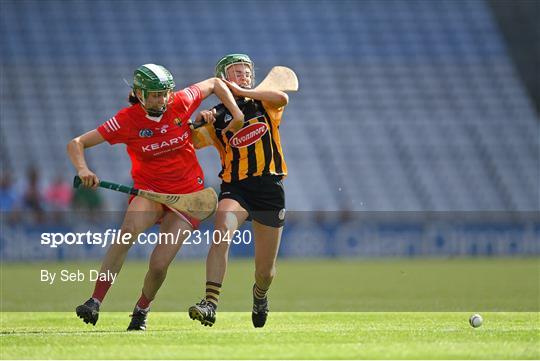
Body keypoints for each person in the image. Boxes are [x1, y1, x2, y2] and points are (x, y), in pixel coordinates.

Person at [67, 63, 244, 331]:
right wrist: (83, 168)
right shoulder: (126, 120)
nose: (160, 100)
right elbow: (77, 143)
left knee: (159, 264)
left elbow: (216, 83)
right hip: (150, 192)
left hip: (188, 197)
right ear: (139, 93)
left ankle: (141, 310)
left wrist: (236, 113)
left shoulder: (181, 101)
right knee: (126, 232)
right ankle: (94, 301)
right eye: (154, 94)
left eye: (164, 93)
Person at [189, 54, 289, 328]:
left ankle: (260, 295)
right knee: (221, 229)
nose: (243, 74)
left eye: (246, 71)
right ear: (223, 79)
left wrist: (243, 92)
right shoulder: (217, 117)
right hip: (237, 189)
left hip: (269, 189)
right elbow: (192, 142)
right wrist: (199, 121)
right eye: (236, 72)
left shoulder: (264, 102)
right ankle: (210, 304)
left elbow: (283, 98)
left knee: (265, 272)